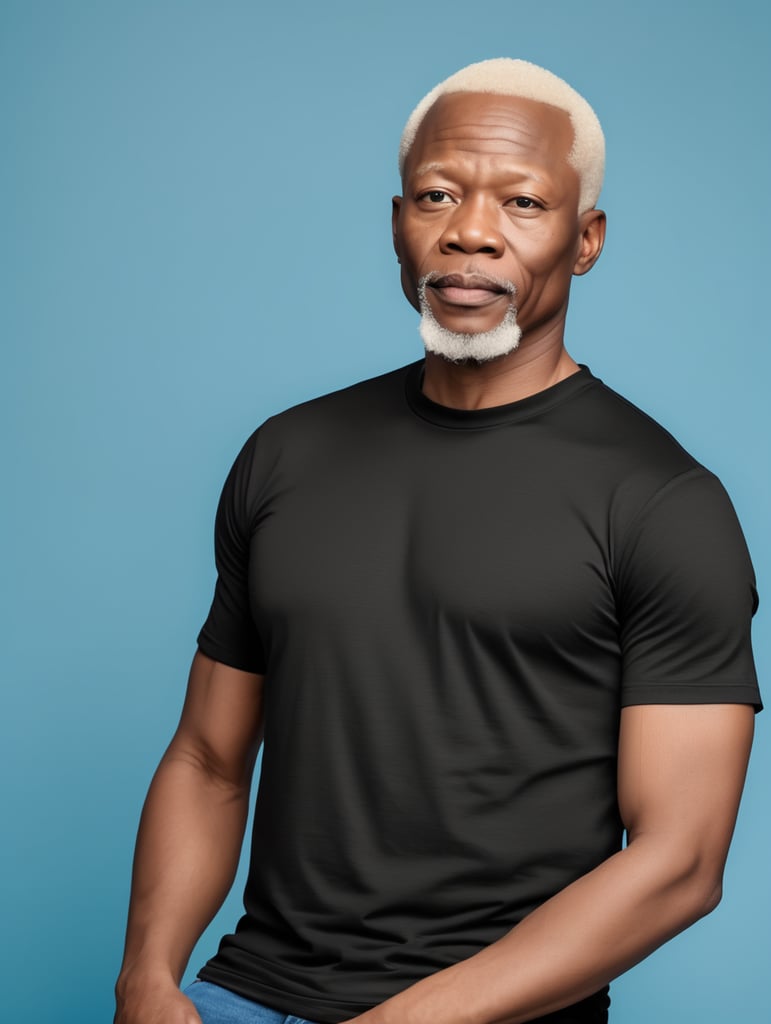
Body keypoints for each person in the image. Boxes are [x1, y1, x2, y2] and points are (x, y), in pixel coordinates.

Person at [114, 58, 761, 1024]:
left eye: (524, 202)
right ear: (397, 223)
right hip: (245, 993)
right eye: (437, 194)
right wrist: (148, 978)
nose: (470, 231)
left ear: (584, 242)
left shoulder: (663, 501)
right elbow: (208, 759)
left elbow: (679, 863)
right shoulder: (286, 452)